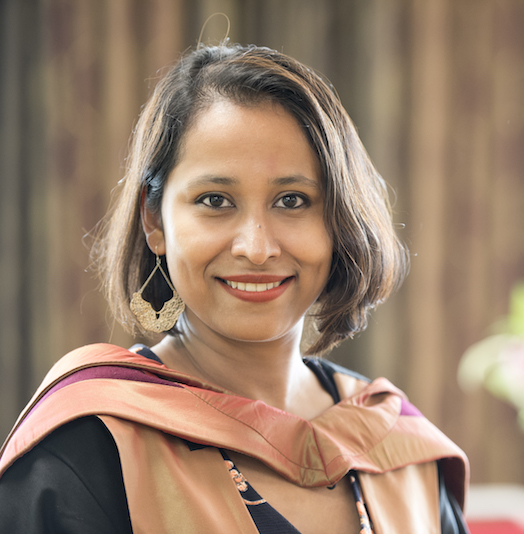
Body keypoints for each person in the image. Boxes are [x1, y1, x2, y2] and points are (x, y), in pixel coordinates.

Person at [0, 44, 469, 533]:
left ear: (338, 220)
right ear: (154, 220)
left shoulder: (400, 450)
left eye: (293, 200)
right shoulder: (87, 449)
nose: (257, 248)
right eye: (215, 200)